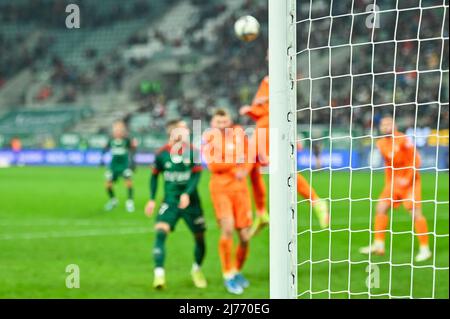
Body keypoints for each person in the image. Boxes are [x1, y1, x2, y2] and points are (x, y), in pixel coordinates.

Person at [240, 74, 329, 233]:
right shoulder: (269, 79)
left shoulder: (274, 78)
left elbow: (277, 107)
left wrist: (291, 132)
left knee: (277, 167)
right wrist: (251, 111)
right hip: (266, 125)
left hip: (270, 126)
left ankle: (315, 201)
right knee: (256, 165)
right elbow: (266, 108)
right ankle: (262, 212)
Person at [145, 119, 207, 289]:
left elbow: (196, 175)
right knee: (160, 232)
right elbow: (154, 176)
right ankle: (159, 276)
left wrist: (187, 193)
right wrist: (151, 199)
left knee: (200, 237)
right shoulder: (161, 154)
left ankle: (197, 270)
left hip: (191, 203)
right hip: (170, 201)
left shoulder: (192, 152)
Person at [360, 116, 432, 262]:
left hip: (409, 181)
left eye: (388, 124)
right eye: (383, 124)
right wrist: (389, 184)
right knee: (380, 208)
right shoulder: (380, 143)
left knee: (415, 214)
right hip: (393, 184)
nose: (385, 127)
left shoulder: (404, 139)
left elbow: (416, 159)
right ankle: (379, 245)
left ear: (394, 125)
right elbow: (388, 166)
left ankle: (425, 249)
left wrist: (408, 177)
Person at [203, 108, 253, 295]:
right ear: (212, 124)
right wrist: (235, 161)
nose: (222, 126)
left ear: (230, 121)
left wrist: (245, 170)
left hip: (240, 190)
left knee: (245, 238)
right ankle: (227, 274)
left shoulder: (239, 134)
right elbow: (214, 165)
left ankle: (237, 270)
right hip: (221, 190)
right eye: (218, 122)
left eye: (225, 122)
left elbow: (249, 156)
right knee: (228, 229)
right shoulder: (209, 139)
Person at [102, 121, 137, 213]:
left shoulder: (127, 140)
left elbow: (133, 150)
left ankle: (130, 202)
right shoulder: (111, 140)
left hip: (125, 165)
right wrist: (102, 155)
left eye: (119, 129)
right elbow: (105, 149)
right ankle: (113, 201)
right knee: (108, 184)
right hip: (113, 165)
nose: (117, 131)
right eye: (116, 129)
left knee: (128, 182)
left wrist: (133, 164)